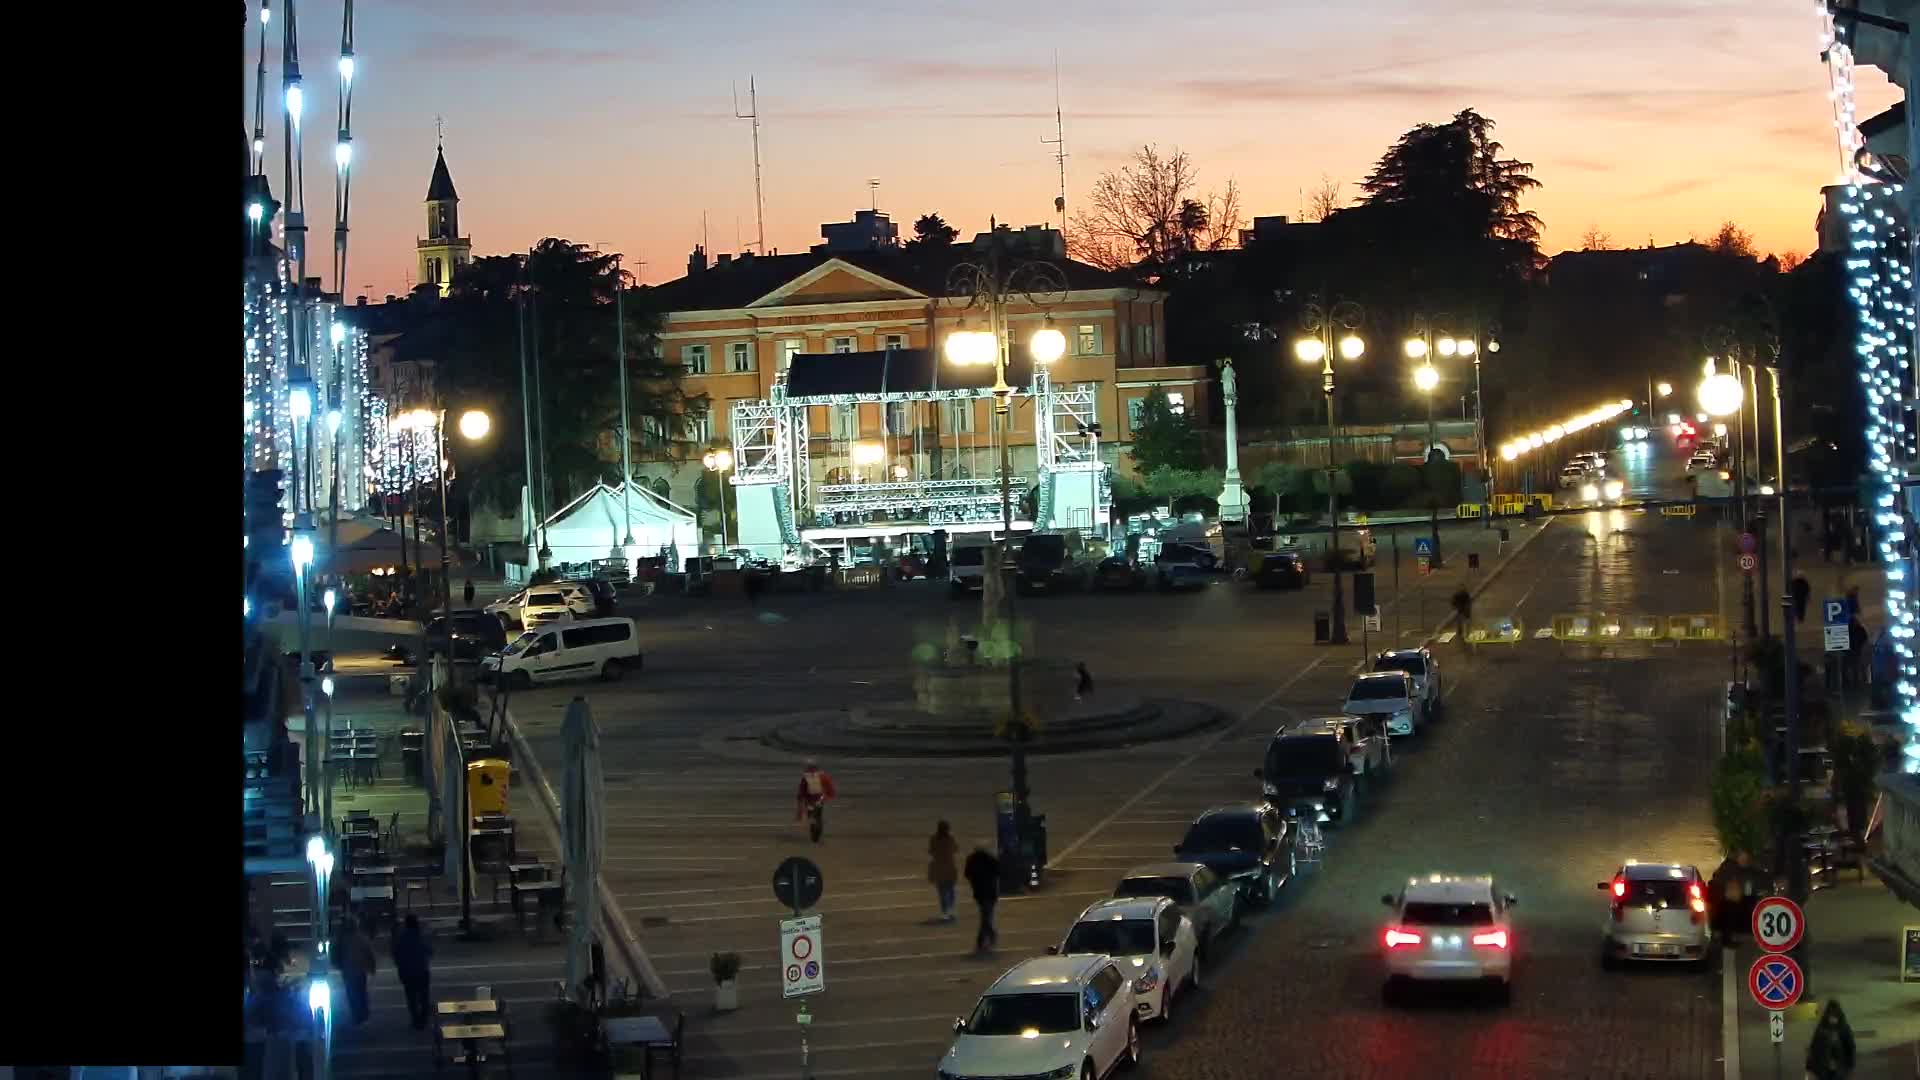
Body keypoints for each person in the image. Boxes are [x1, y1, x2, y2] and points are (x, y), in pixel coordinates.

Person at [391, 913, 434, 1031]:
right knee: (424, 996)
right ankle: (423, 1019)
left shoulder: (401, 937)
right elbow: (430, 950)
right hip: (421, 970)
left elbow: (396, 953)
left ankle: (416, 1020)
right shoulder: (422, 935)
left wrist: (400, 965)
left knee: (411, 997)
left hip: (407, 971)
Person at [334, 916, 378, 1026]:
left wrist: (338, 964)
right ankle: (362, 1012)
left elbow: (335, 953)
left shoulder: (342, 939)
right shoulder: (361, 938)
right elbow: (369, 953)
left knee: (352, 993)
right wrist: (371, 967)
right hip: (359, 970)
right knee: (361, 991)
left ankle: (357, 1013)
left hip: (348, 970)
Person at [1804, 999, 1857, 1079]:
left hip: (1839, 1070)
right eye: (1831, 1016)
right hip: (1824, 1070)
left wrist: (1850, 1067)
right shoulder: (1822, 1029)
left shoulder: (1843, 1029)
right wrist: (1809, 1067)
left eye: (1834, 1016)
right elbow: (1814, 1048)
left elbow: (1850, 1048)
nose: (1832, 1019)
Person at [963, 843, 1001, 953]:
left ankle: (984, 939)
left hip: (979, 892)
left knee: (985, 916)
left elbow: (967, 874)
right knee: (987, 916)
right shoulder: (990, 860)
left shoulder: (972, 860)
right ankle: (990, 936)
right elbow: (999, 871)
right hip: (990, 892)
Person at [795, 759, 835, 843]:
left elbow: (802, 790)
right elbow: (802, 790)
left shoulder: (821, 776)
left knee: (815, 817)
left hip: (817, 800)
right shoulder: (813, 776)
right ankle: (816, 835)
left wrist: (827, 796)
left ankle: (816, 835)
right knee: (815, 817)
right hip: (813, 800)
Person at [927, 821, 959, 922]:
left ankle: (945, 912)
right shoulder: (950, 837)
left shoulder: (933, 838)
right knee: (951, 890)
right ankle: (952, 910)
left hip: (939, 868)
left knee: (942, 891)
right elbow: (956, 849)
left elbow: (931, 851)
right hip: (950, 867)